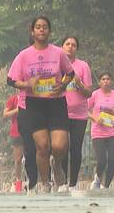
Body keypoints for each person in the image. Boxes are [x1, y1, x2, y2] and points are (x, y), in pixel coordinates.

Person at [7, 16, 75, 194]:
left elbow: (70, 73)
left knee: (60, 145)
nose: (42, 30)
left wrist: (64, 84)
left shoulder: (58, 52)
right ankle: (44, 182)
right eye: (38, 27)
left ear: (49, 31)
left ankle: (57, 163)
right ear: (32, 31)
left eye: (45, 27)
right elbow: (11, 80)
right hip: (34, 104)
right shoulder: (24, 55)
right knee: (42, 147)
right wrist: (26, 84)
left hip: (56, 102)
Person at [61, 36, 93, 192]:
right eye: (67, 44)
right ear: (62, 47)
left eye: (73, 45)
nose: (70, 47)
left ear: (77, 49)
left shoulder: (83, 66)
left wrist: (79, 84)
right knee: (61, 147)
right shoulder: (56, 66)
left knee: (75, 148)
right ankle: (62, 182)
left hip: (79, 115)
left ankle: (73, 183)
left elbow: (89, 93)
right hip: (60, 113)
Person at [88, 72, 114, 189]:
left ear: (112, 81)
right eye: (103, 79)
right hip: (98, 132)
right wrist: (95, 118)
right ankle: (98, 178)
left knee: (112, 160)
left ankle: (106, 186)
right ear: (99, 82)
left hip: (113, 132)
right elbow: (85, 109)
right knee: (102, 160)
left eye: (108, 79)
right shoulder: (95, 95)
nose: (106, 81)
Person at [3, 92, 25, 193]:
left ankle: (32, 181)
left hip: (32, 131)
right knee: (18, 159)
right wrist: (17, 110)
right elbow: (5, 115)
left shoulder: (33, 97)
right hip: (16, 131)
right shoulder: (13, 99)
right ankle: (18, 181)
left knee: (32, 157)